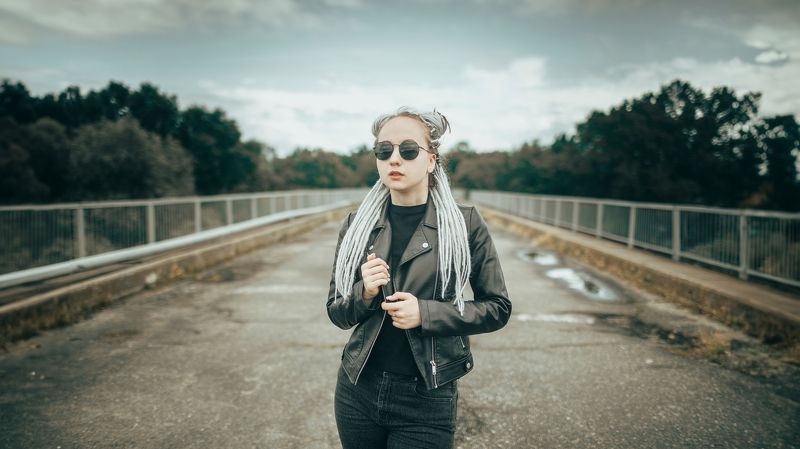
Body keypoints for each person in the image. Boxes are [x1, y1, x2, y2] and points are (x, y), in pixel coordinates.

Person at [326, 106, 512, 449]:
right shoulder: (358, 225)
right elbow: (337, 312)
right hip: (357, 391)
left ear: (431, 160)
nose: (394, 159)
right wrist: (364, 294)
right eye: (384, 151)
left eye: (408, 150)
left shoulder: (465, 222)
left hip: (427, 397)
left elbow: (497, 308)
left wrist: (425, 314)